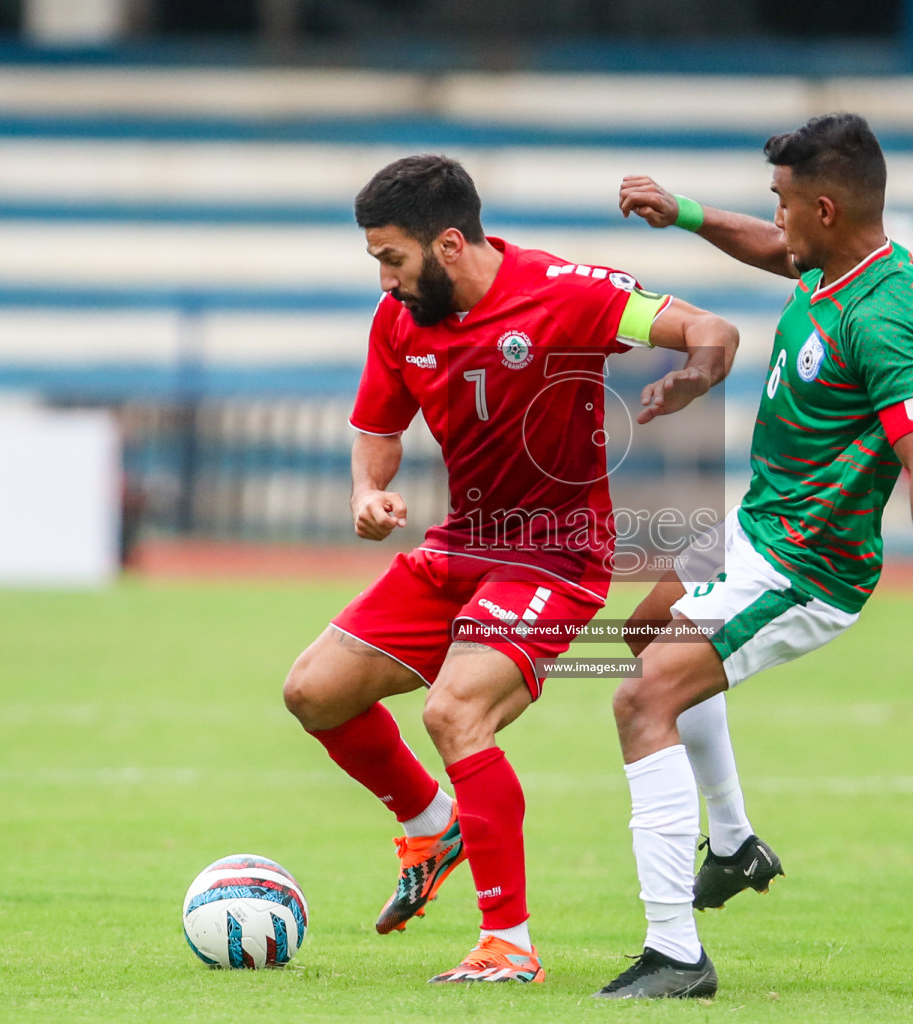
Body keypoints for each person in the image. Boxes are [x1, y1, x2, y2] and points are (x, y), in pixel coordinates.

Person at [281, 154, 739, 983]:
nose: (383, 280)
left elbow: (714, 327)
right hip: (463, 543)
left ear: (449, 244)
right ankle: (430, 822)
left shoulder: (569, 292)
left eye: (392, 258)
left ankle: (508, 944)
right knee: (313, 691)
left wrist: (694, 374)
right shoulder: (399, 321)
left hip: (558, 555)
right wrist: (367, 492)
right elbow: (377, 432)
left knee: (455, 712)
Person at [599, 112, 913, 999]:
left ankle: (674, 955)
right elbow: (775, 253)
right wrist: (688, 214)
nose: (772, 217)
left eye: (780, 202)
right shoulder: (829, 260)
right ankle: (735, 844)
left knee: (640, 703)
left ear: (824, 206)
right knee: (643, 633)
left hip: (803, 568)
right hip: (756, 526)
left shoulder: (886, 314)